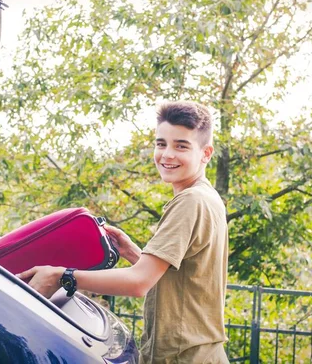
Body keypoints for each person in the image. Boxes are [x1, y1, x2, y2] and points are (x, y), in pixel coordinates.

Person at [18, 101, 229, 364]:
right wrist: (132, 252)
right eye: (161, 143)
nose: (167, 155)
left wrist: (63, 276)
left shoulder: (190, 202)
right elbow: (179, 278)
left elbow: (139, 283)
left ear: (206, 153)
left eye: (181, 146)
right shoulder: (206, 196)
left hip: (184, 357)